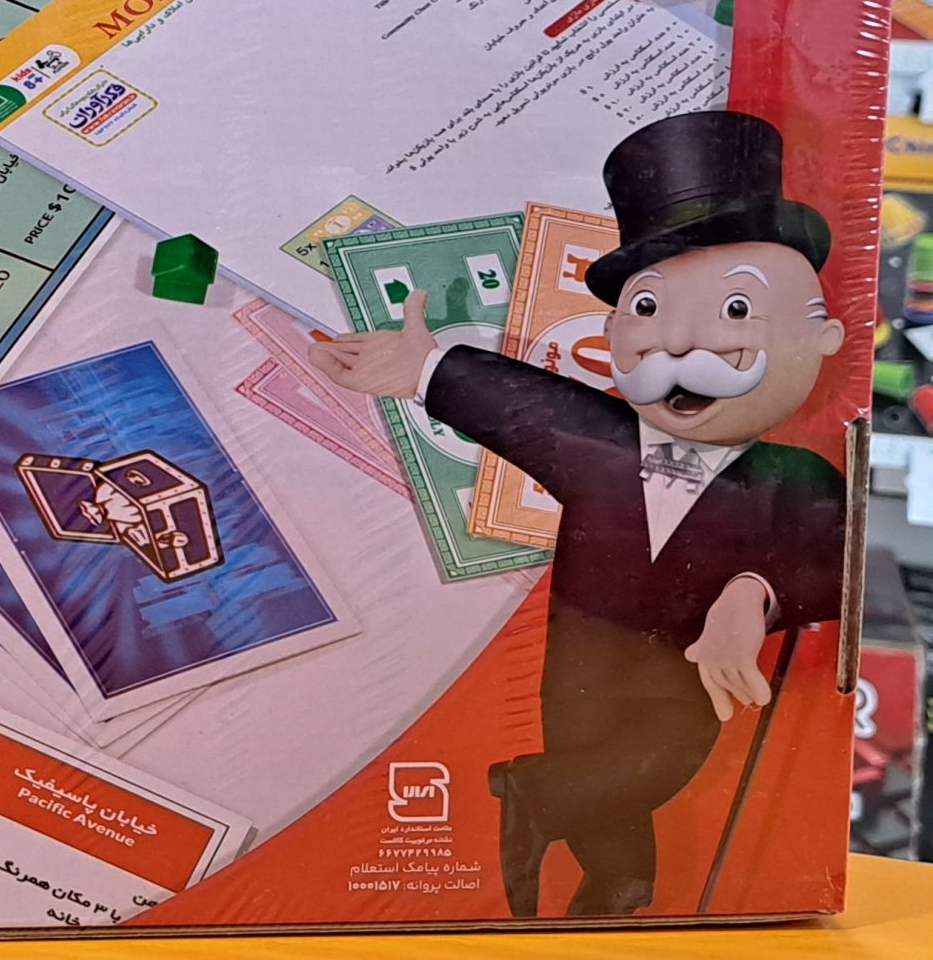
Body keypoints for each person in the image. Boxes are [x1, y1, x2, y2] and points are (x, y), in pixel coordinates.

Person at [310, 110, 848, 918]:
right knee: (604, 789)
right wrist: (423, 367)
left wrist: (751, 595)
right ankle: (618, 885)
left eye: (735, 311)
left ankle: (534, 794)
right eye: (648, 311)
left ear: (824, 336)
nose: (679, 345)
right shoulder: (599, 442)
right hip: (582, 663)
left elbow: (830, 554)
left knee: (659, 761)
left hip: (683, 669)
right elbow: (520, 406)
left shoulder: (792, 476)